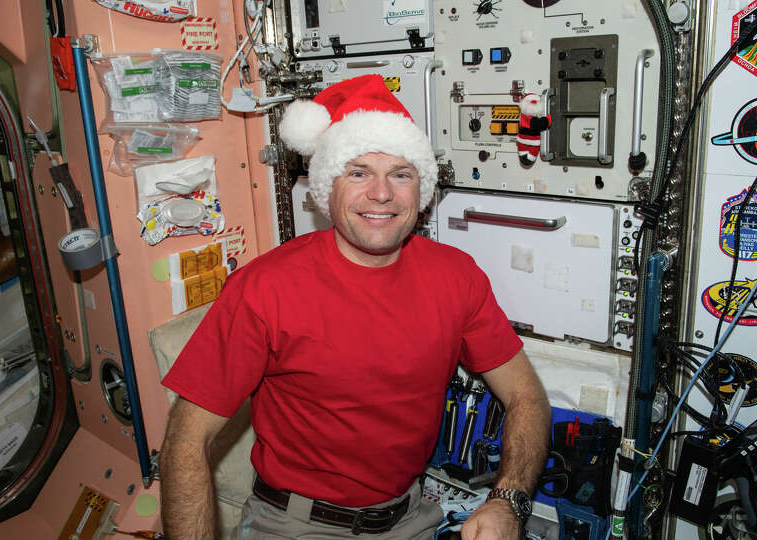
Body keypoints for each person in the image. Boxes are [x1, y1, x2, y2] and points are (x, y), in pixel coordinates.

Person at [160, 74, 551, 540]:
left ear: (420, 191)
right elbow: (184, 442)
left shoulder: (456, 276)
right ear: (328, 188)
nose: (381, 194)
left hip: (411, 516)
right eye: (359, 172)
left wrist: (507, 501)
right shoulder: (265, 288)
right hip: (293, 525)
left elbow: (527, 397)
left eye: (400, 174)